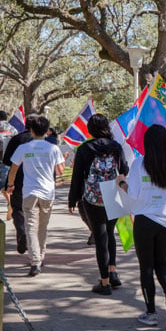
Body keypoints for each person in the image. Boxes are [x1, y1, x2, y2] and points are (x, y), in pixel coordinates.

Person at [117, 124, 166, 326]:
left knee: (146, 266)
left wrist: (121, 183)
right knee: (162, 263)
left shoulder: (138, 164)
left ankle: (151, 313)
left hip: (144, 220)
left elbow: (133, 194)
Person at [68, 114, 129, 295]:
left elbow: (77, 176)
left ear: (90, 129)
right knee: (110, 234)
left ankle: (104, 283)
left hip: (93, 197)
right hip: (113, 192)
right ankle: (113, 272)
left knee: (100, 237)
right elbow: (124, 169)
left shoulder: (85, 148)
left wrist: (73, 199)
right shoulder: (116, 147)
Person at [7, 116, 65, 277]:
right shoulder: (53, 148)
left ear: (31, 130)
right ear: (47, 131)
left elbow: (13, 169)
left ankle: (35, 262)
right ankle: (41, 256)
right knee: (43, 227)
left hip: (29, 192)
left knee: (30, 227)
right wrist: (63, 161)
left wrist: (11, 185)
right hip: (47, 193)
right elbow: (60, 171)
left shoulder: (24, 148)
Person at [3, 114, 39, 254]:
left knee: (18, 209)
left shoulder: (17, 139)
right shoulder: (43, 142)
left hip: (18, 179)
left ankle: (21, 232)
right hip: (37, 180)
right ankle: (33, 242)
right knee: (35, 212)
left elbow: (7, 160)